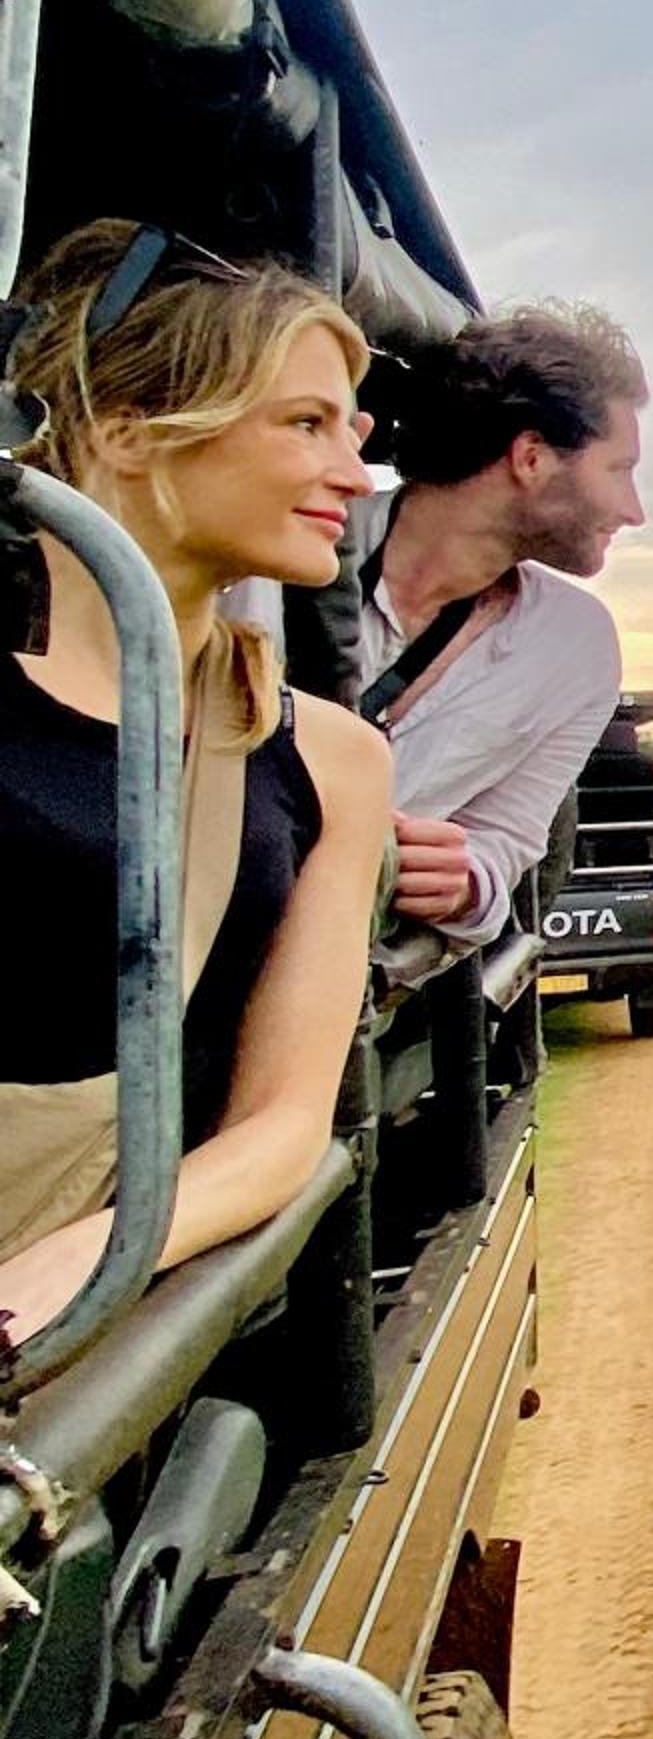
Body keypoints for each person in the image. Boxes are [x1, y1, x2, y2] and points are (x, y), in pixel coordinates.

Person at [0, 220, 392, 1338]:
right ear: (127, 433)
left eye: (349, 430)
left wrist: (80, 1267)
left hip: (95, 1347)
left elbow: (284, 1123)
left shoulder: (332, 759)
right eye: (306, 424)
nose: (354, 475)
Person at [348, 301, 644, 947]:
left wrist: (464, 885)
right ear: (531, 457)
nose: (634, 510)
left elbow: (507, 842)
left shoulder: (576, 648)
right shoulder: (289, 552)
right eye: (620, 471)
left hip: (334, 969)